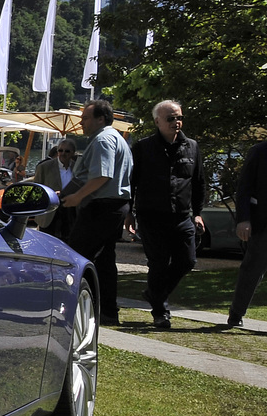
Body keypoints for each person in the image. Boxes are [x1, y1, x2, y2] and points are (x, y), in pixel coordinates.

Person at [125, 100, 203, 328]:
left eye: (179, 118)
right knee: (158, 263)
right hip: (152, 215)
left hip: (181, 215)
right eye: (170, 118)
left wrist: (197, 214)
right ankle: (160, 312)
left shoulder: (192, 147)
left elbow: (199, 183)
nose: (176, 122)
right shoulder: (144, 147)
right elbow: (132, 182)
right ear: (157, 121)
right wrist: (129, 212)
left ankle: (154, 294)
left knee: (187, 260)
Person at [62, 100, 133, 326]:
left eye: (85, 118)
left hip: (102, 207)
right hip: (112, 207)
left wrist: (77, 197)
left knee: (75, 257)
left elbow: (102, 176)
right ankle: (108, 313)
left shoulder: (103, 139)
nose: (81, 123)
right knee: (104, 262)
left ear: (100, 119)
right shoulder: (114, 138)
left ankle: (70, 310)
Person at [225, 138, 267, 327]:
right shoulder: (259, 151)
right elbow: (244, 188)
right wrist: (243, 219)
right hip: (263, 223)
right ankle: (236, 313)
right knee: (253, 269)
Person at [33, 139, 78, 238]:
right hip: (49, 212)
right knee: (46, 242)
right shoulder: (44, 167)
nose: (63, 153)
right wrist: (51, 194)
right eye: (60, 150)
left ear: (73, 153)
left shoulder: (77, 168)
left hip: (70, 212)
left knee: (68, 242)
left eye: (67, 151)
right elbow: (36, 190)